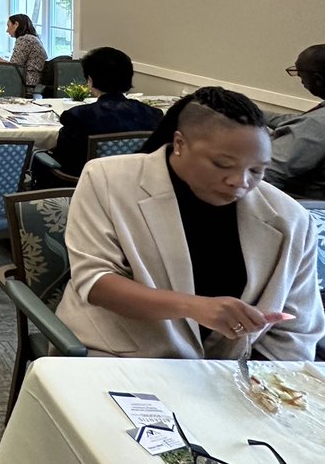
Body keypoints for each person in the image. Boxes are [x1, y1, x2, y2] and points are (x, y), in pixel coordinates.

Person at [56, 87, 325, 360]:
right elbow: (96, 281)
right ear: (180, 143)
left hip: (231, 374)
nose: (240, 182)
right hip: (120, 354)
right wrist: (193, 306)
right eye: (222, 164)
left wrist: (261, 386)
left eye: (257, 170)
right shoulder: (108, 179)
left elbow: (298, 328)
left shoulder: (290, 219)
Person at [36, 47, 163, 184]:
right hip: (135, 185)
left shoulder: (78, 116)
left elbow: (64, 157)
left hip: (86, 186)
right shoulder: (153, 114)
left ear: (90, 80)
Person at [264, 44, 325, 199]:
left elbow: (262, 173)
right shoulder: (315, 121)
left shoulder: (317, 125)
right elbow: (301, 121)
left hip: (299, 206)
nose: (299, 79)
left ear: (317, 79)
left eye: (299, 73)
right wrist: (249, 109)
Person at [0, 13, 48, 88]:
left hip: (28, 83)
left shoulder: (25, 40)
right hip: (34, 80)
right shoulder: (31, 38)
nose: (7, 30)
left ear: (16, 24)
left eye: (8, 26)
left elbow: (13, 67)